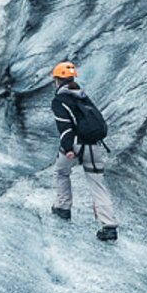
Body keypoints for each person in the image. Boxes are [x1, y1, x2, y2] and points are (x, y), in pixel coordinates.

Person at [50, 62, 117, 241]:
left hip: (76, 144)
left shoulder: (60, 100)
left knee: (61, 172)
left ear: (57, 80)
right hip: (94, 145)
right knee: (97, 183)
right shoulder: (82, 95)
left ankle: (63, 208)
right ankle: (108, 225)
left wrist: (68, 148)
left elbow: (64, 127)